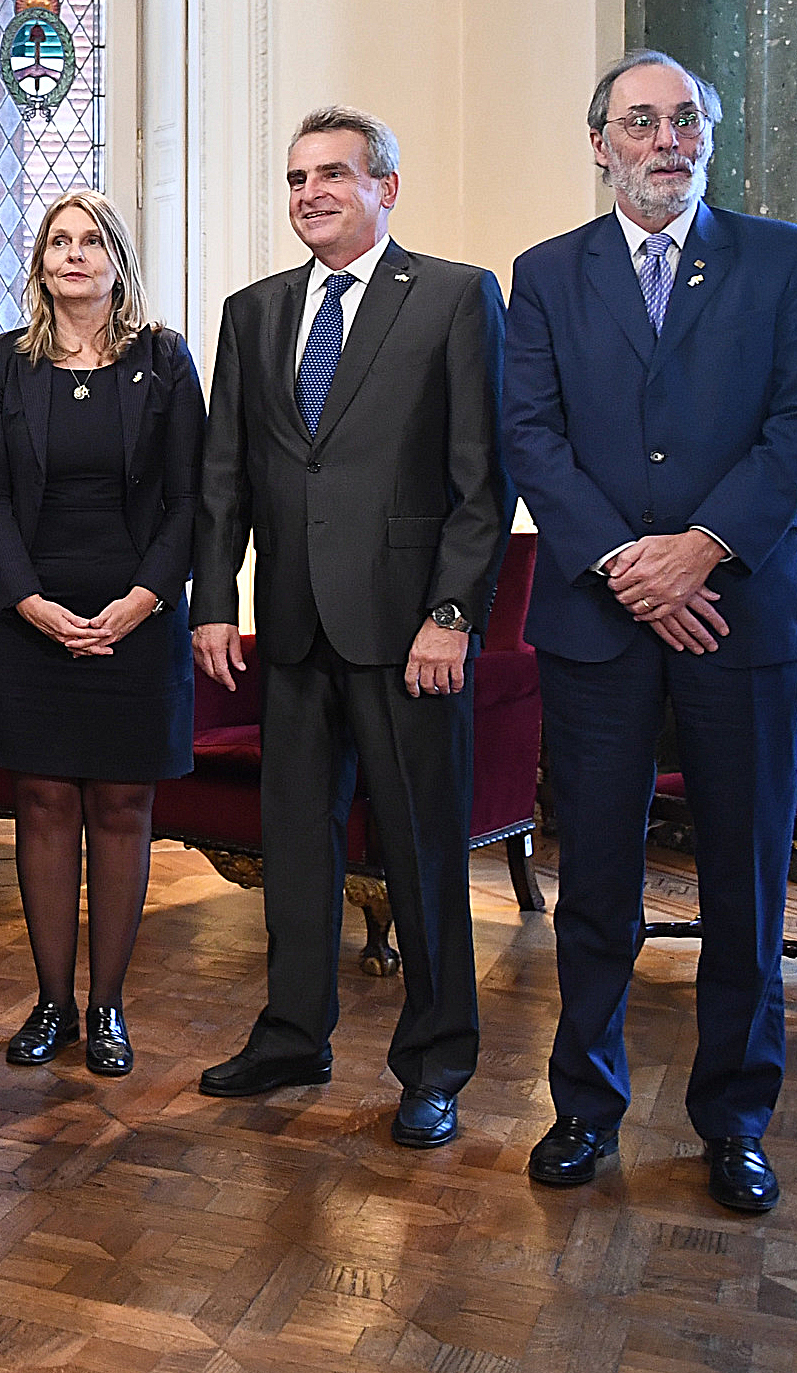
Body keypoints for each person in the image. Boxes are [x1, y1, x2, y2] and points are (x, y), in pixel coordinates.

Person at [503, 50, 797, 1214]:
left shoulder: (780, 257)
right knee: (591, 872)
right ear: (597, 143)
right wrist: (621, 565)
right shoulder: (545, 273)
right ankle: (581, 1110)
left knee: (744, 881)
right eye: (637, 121)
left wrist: (698, 550)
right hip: (597, 622)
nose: (664, 139)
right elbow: (530, 436)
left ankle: (734, 1119)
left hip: (739, 616)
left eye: (682, 118)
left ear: (707, 134)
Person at [190, 106, 511, 1151]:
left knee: (420, 853)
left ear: (385, 186)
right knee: (293, 847)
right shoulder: (253, 312)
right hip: (287, 630)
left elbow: (479, 479)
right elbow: (222, 478)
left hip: (406, 633)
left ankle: (432, 1062)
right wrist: (210, 603)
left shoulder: (456, 297)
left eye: (332, 173)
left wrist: (451, 613)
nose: (310, 193)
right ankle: (290, 1033)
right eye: (294, 178)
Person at [0, 190, 205, 1077]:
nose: (73, 254)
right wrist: (24, 602)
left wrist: (143, 600)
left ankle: (107, 1009)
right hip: (31, 617)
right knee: (43, 804)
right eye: (57, 241)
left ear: (116, 259)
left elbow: (191, 498)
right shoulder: (1, 364)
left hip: (135, 617)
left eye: (90, 240)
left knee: (120, 806)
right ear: (38, 263)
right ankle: (51, 1003)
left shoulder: (165, 360)